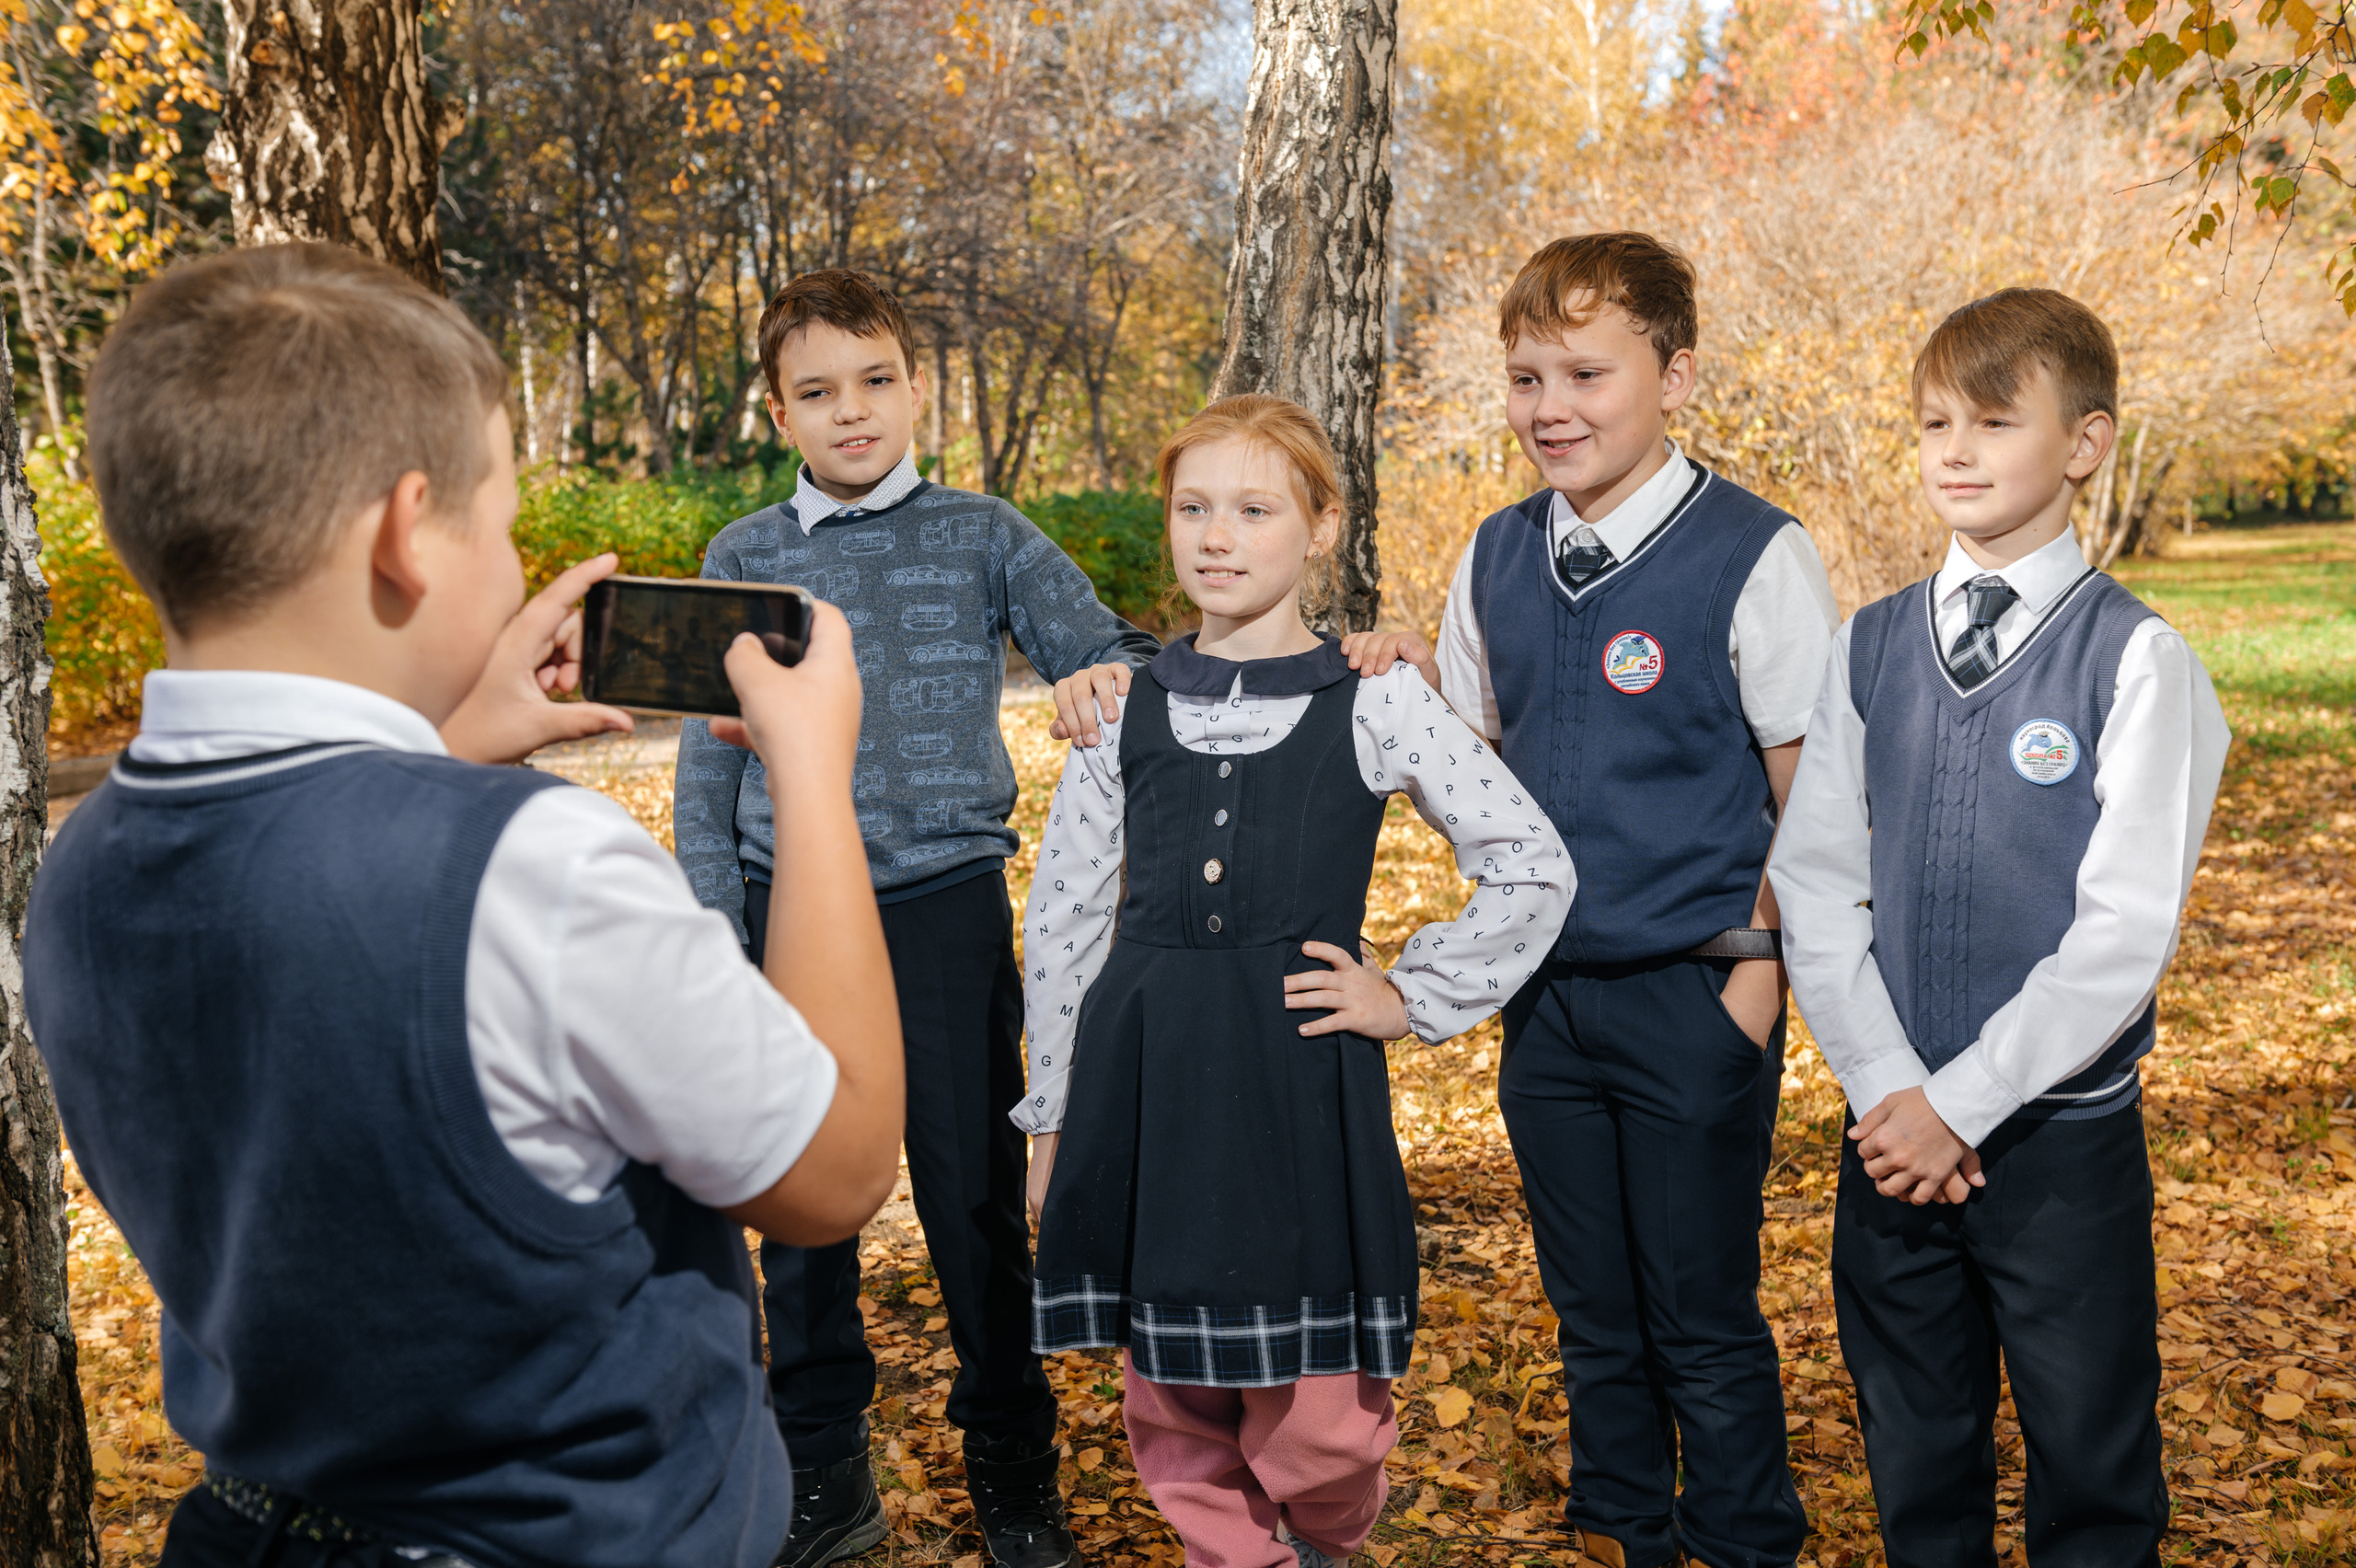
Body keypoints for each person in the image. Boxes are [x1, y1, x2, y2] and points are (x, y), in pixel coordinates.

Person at [25, 243, 906, 1568]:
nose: (513, 568)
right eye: (498, 524)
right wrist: (813, 777)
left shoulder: (83, 870)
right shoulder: (535, 866)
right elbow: (834, 1173)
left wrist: (444, 744)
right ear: (405, 532)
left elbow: (312, 926)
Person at [1022, 394, 1576, 1568]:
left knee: (1322, 1417)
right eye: (1192, 509)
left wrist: (1409, 994)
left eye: (1254, 510)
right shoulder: (1120, 708)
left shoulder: (1375, 695)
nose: (1217, 537)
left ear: (1321, 526)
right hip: (1147, 1080)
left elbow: (1530, 862)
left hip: (1299, 1081)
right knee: (1174, 1397)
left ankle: (1323, 1540)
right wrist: (1053, 1117)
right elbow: (1063, 922)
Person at [673, 268, 1161, 1568]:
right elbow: (708, 772)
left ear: (914, 389)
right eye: (818, 391)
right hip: (787, 910)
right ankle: (824, 1475)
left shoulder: (983, 532)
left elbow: (1116, 653)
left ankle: (1013, 1467)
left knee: (974, 1204)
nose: (853, 411)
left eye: (876, 381)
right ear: (778, 413)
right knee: (801, 1215)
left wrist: (1104, 676)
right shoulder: (744, 557)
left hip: (945, 908)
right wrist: (716, 927)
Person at [1770, 288, 2229, 1568]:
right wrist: (1889, 1089)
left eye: (1991, 421)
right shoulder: (1867, 646)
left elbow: (2122, 933)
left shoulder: (2137, 661)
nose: (1955, 451)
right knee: (1917, 1464)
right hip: (1888, 1139)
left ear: (2084, 443)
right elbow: (1816, 881)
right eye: (1934, 423)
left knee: (2091, 1471)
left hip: (2058, 1149)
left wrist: (1962, 1105)